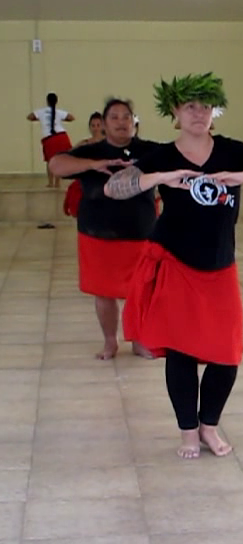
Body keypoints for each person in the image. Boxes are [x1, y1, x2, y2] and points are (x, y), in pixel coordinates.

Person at [104, 72, 243, 459]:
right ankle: (188, 432)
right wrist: (162, 177)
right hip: (175, 262)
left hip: (220, 265)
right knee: (182, 352)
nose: (198, 113)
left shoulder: (232, 151)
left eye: (205, 106)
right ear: (174, 112)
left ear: (214, 112)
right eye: (190, 106)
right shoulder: (163, 155)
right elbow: (114, 187)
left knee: (227, 352)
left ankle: (209, 425)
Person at [50, 99, 161, 360]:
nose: (121, 122)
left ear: (134, 121)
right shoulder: (90, 150)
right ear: (103, 123)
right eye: (114, 117)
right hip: (97, 234)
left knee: (142, 291)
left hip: (141, 232)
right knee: (103, 292)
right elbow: (56, 165)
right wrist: (92, 165)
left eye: (126, 116)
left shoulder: (150, 151)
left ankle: (140, 340)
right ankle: (110, 342)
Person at [27, 93, 75, 188]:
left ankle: (50, 182)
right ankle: (57, 183)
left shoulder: (41, 112)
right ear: (56, 102)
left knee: (50, 161)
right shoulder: (59, 112)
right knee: (59, 161)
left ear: (47, 101)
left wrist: (40, 119)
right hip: (61, 136)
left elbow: (29, 117)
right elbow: (71, 117)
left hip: (49, 139)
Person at [63, 112, 105, 217]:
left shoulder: (110, 143)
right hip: (87, 182)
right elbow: (68, 156)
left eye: (98, 125)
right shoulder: (84, 144)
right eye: (93, 125)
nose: (96, 128)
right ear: (89, 127)